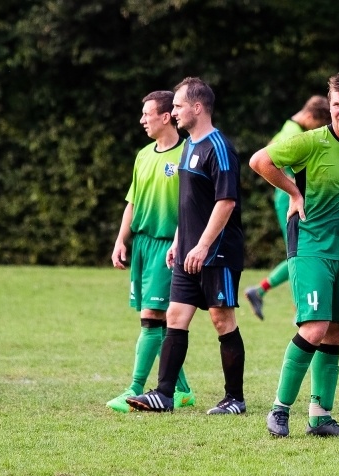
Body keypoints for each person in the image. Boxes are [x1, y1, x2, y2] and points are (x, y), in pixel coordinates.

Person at [249, 71, 339, 438]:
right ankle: (279, 409)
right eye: (336, 104)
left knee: (336, 331)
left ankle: (320, 418)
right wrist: (293, 192)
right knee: (315, 326)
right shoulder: (309, 142)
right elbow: (260, 161)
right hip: (309, 245)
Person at [126, 77, 247, 415]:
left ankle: (234, 398)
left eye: (178, 106)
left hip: (217, 251)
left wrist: (203, 246)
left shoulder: (219, 147)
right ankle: (164, 394)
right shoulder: (190, 145)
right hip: (188, 251)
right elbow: (189, 203)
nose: (173, 112)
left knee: (222, 320)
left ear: (197, 107)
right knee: (175, 316)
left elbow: (225, 203)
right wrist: (180, 241)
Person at [106, 90, 195, 413]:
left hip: (167, 245)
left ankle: (134, 388)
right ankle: (182, 390)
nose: (142, 120)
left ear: (166, 116)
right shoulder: (143, 154)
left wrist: (178, 239)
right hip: (142, 245)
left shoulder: (187, 153)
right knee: (155, 320)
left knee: (152, 317)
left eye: (147, 114)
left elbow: (190, 206)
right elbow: (132, 201)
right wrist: (121, 240)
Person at [244, 96, 331, 320]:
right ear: (311, 117)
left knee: (299, 252)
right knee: (301, 253)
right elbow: (270, 164)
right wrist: (294, 190)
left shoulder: (288, 127)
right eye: (319, 124)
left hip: (287, 196)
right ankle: (301, 309)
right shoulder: (293, 134)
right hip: (292, 197)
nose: (320, 129)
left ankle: (262, 291)